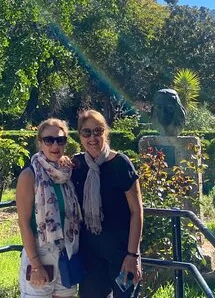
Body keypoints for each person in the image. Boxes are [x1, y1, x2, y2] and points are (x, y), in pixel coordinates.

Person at [71, 110, 144, 297]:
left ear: (106, 132)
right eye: (86, 132)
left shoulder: (121, 164)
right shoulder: (76, 164)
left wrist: (133, 255)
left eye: (98, 131)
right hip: (91, 256)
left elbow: (136, 212)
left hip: (122, 254)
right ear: (80, 135)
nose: (92, 138)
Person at [16, 118, 82, 298]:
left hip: (68, 252)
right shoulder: (29, 176)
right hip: (40, 252)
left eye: (60, 140)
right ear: (40, 143)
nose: (55, 145)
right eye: (49, 140)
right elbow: (23, 223)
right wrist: (36, 265)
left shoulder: (67, 173)